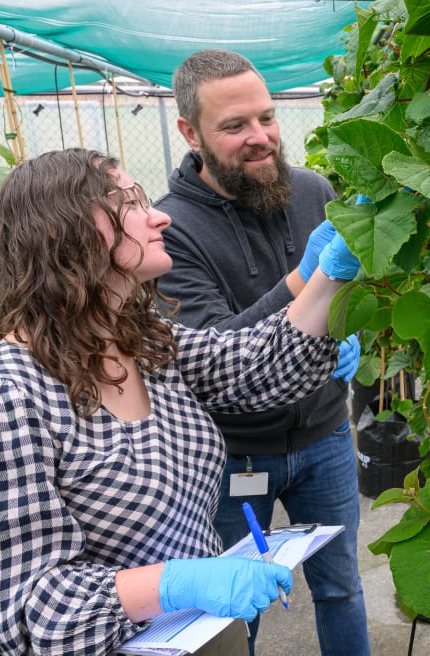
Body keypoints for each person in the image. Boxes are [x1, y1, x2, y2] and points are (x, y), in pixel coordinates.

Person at [0, 148, 361, 656]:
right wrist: (172, 583)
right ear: (57, 230)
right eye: (128, 202)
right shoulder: (1, 402)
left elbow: (252, 365)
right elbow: (29, 612)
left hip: (205, 635)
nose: (158, 214)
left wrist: (330, 277)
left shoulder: (142, 343)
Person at [153, 49, 371, 656]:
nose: (261, 138)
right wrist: (303, 283)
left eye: (267, 118)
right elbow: (217, 353)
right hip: (231, 455)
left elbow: (349, 294)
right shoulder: (168, 232)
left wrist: (352, 335)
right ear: (190, 133)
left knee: (341, 588)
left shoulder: (311, 191)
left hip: (325, 435)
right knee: (229, 609)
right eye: (234, 126)